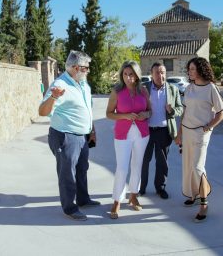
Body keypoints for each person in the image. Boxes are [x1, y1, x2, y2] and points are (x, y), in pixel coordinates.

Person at [39, 50, 100, 221]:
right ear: (74, 67)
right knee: (67, 173)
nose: (88, 71)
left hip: (82, 136)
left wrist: (92, 129)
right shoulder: (60, 85)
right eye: (85, 68)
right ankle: (70, 208)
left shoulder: (83, 84)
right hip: (65, 136)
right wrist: (53, 97)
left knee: (81, 169)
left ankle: (83, 199)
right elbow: (42, 111)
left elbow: (88, 109)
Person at [175, 57, 223, 222]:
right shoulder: (189, 88)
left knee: (197, 167)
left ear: (201, 70)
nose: (189, 72)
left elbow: (221, 113)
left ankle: (204, 204)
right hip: (187, 132)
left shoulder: (211, 88)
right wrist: (179, 133)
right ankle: (193, 194)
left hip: (201, 133)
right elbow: (185, 113)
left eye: (192, 69)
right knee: (189, 166)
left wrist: (209, 126)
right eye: (188, 69)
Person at [106, 60, 151, 219]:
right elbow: (109, 114)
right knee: (122, 168)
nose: (128, 77)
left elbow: (150, 111)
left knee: (137, 165)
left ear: (137, 75)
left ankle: (133, 196)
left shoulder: (144, 91)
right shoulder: (116, 91)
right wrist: (125, 115)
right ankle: (117, 200)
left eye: (131, 74)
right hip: (122, 134)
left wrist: (145, 114)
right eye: (125, 74)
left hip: (142, 134)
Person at [139, 63, 183, 199]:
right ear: (151, 74)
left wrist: (172, 110)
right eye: (157, 72)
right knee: (143, 160)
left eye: (163, 72)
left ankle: (160, 188)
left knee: (162, 161)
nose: (160, 75)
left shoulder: (173, 89)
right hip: (146, 131)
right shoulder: (143, 88)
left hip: (164, 131)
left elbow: (180, 108)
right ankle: (140, 188)